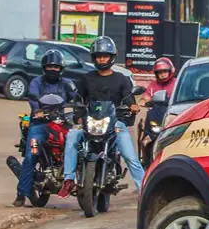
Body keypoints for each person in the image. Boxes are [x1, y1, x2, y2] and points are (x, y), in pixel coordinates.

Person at [58, 36, 145, 197]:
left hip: (115, 123)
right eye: (99, 56)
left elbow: (128, 98)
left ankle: (145, 191)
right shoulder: (87, 78)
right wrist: (78, 115)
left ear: (112, 57)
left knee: (131, 157)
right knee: (72, 136)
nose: (102, 59)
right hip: (90, 122)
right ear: (94, 58)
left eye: (105, 56)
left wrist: (132, 106)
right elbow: (79, 99)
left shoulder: (122, 79)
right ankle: (69, 179)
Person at [14, 49, 77, 207]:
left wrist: (80, 106)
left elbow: (77, 98)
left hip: (60, 124)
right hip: (39, 124)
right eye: (50, 67)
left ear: (61, 69)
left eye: (56, 67)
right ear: (44, 68)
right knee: (31, 156)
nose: (53, 70)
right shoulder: (36, 82)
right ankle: (21, 194)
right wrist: (39, 110)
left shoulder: (66, 83)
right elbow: (33, 98)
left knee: (76, 146)